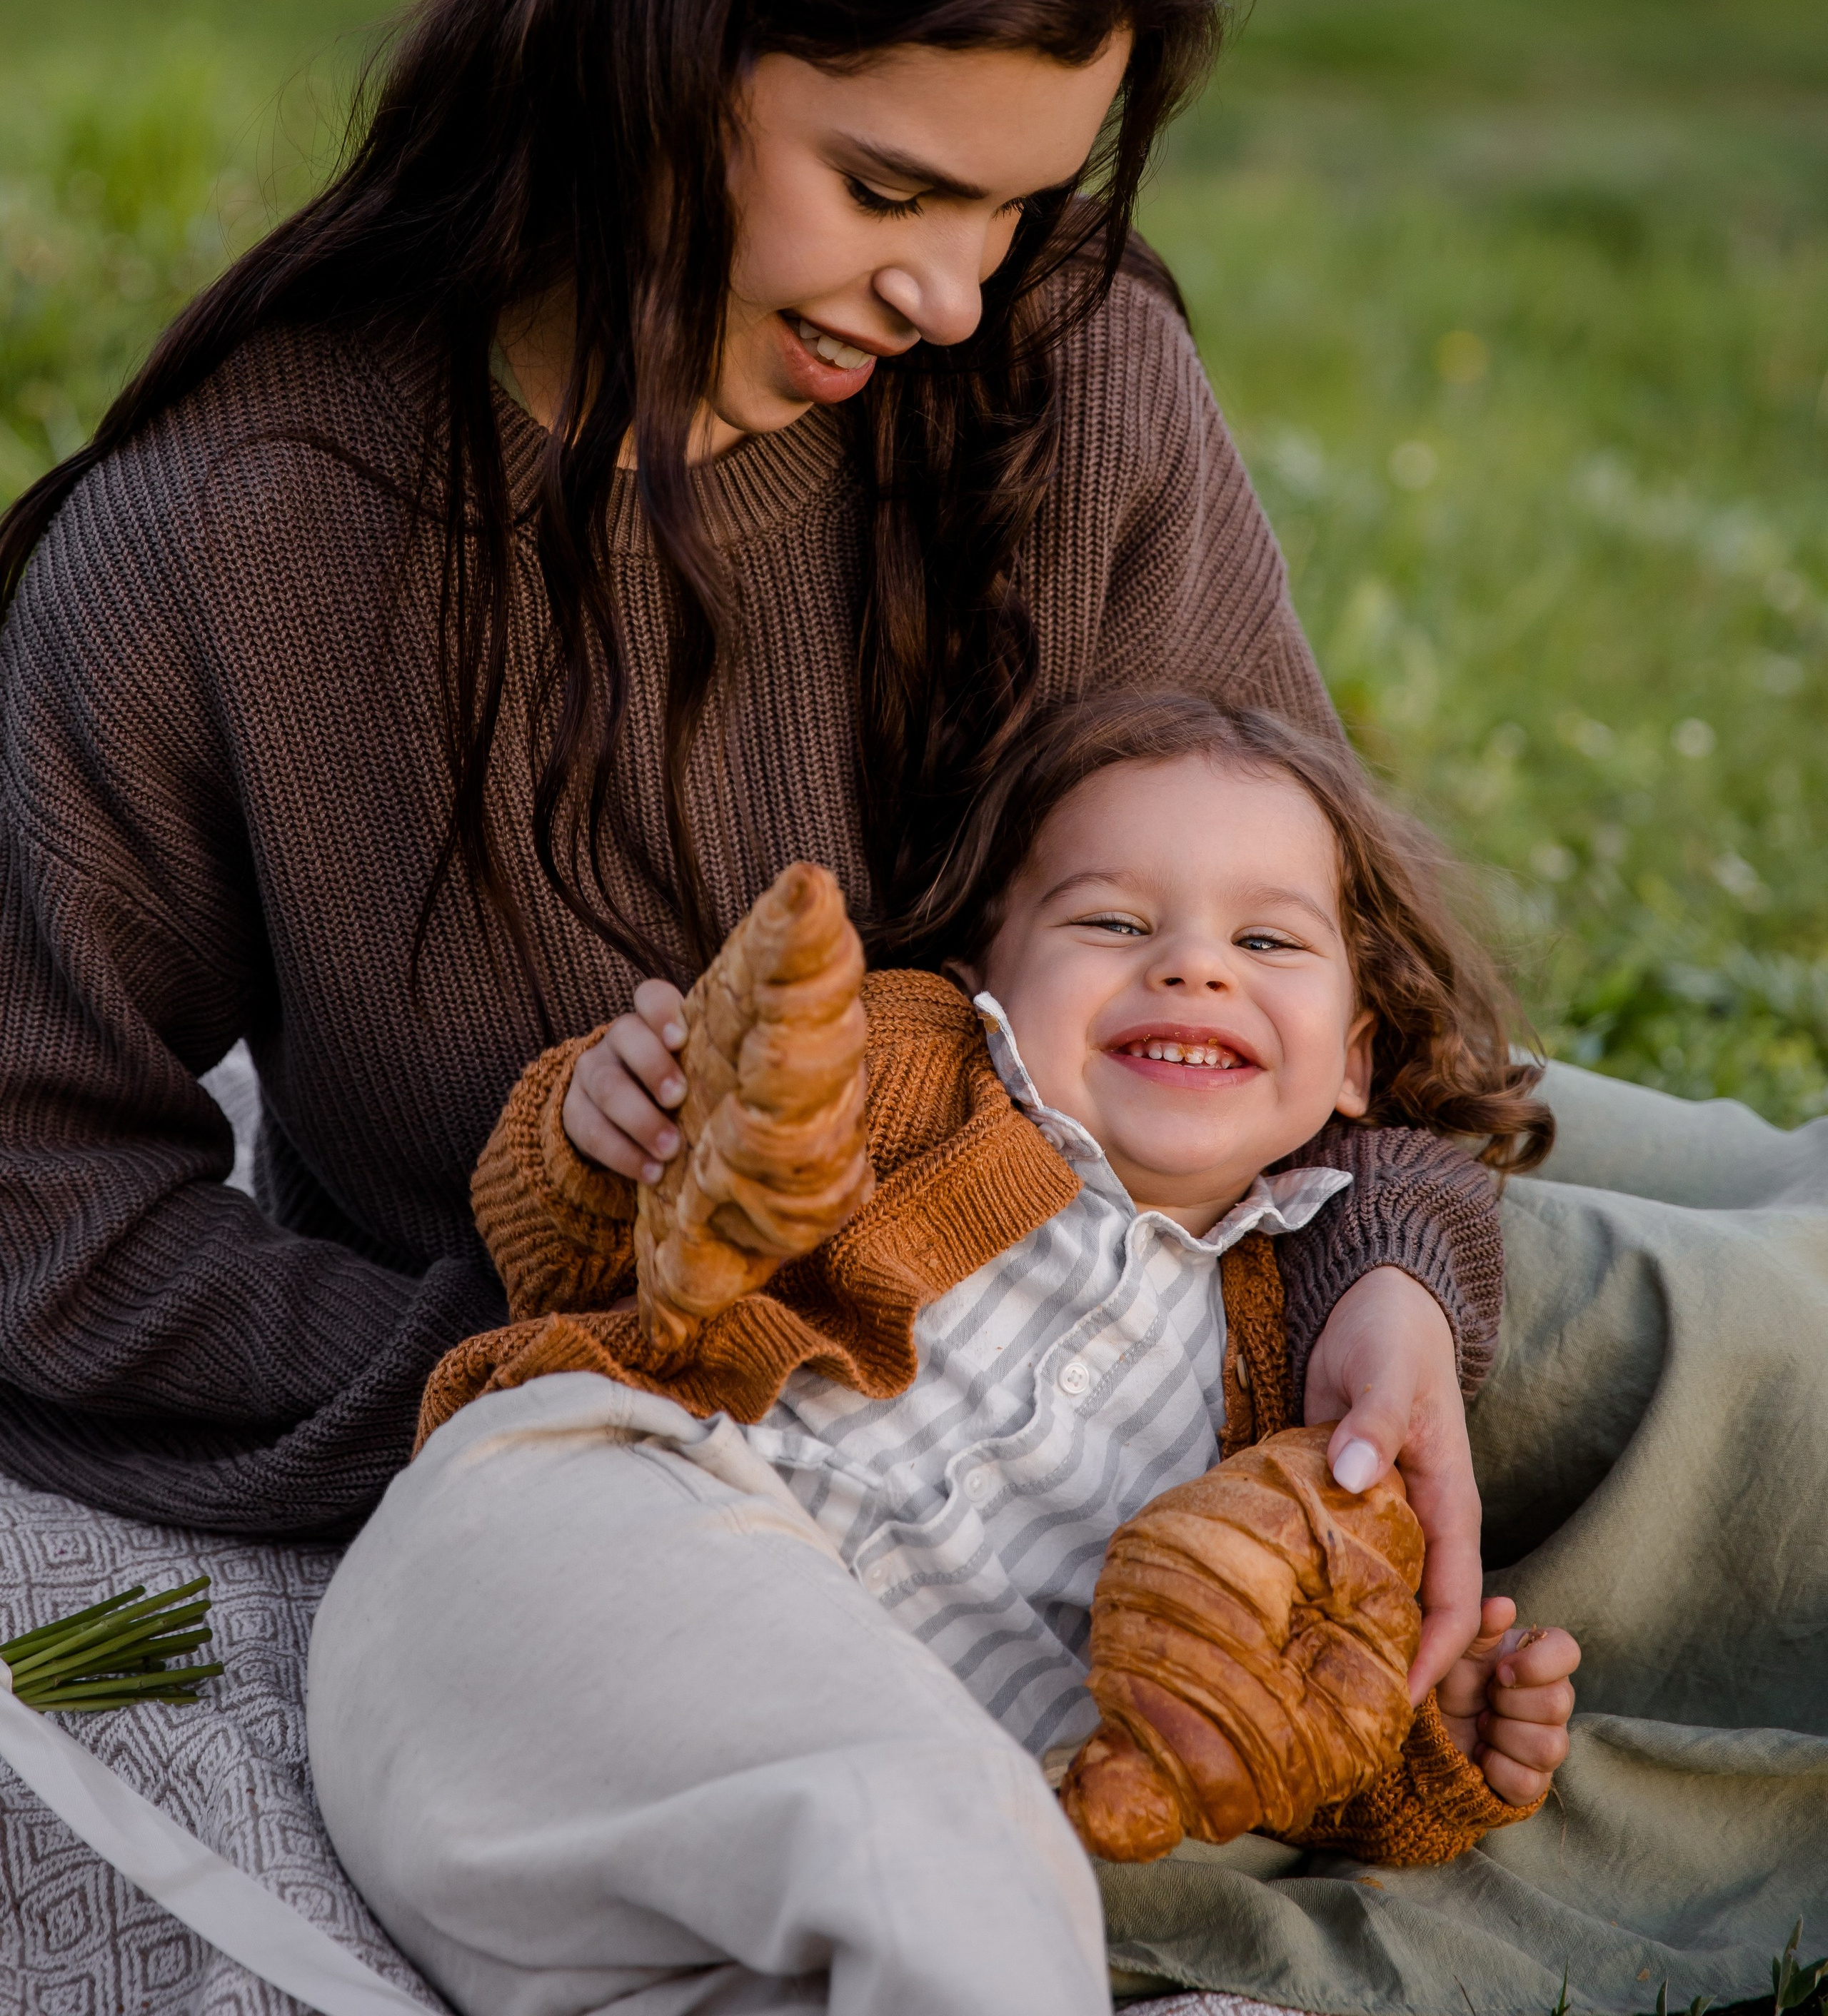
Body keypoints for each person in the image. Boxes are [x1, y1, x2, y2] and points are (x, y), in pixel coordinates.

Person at [0, 0, 1490, 1638]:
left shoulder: (1079, 385)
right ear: (647, 47)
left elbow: (1351, 992)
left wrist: (1393, 1280)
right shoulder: (228, 546)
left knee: (1745, 1315)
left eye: (1012, 213)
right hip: (674, 1546)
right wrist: (569, 1409)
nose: (956, 294)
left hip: (1208, 1383)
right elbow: (43, 1204)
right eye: (887, 190)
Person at [308, 689, 1579, 2016]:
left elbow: (1264, 1710)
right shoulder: (915, 1067)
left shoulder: (1294, 1369)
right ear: (992, 974)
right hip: (582, 1557)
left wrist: (1438, 1743)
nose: (1195, 967)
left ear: (1357, 1059)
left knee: (974, 1892)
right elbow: (578, 1249)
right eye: (1112, 922)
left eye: (1267, 938)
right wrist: (602, 1128)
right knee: (954, 1857)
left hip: (760, 1848)